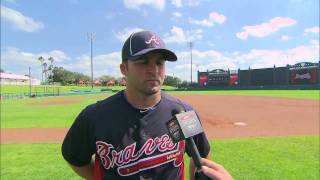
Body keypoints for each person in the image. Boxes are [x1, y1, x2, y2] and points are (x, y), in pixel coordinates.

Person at [61, 30, 231, 180]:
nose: (154, 69)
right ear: (124, 68)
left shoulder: (180, 112)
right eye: (143, 61)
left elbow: (200, 155)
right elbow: (75, 157)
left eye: (160, 62)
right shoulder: (96, 116)